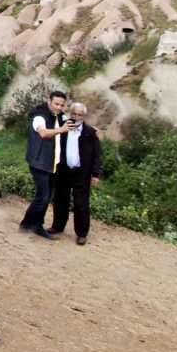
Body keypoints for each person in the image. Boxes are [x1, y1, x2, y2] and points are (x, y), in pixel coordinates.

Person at [19, 90, 73, 239]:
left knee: (46, 197)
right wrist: (62, 129)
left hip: (52, 163)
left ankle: (35, 224)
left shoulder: (60, 115)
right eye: (56, 104)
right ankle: (28, 224)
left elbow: (72, 121)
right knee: (43, 197)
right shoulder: (39, 116)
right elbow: (43, 133)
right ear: (49, 101)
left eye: (61, 105)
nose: (59, 107)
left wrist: (90, 129)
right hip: (39, 163)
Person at [50, 102, 102, 245]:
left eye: (80, 114)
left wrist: (95, 174)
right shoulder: (63, 128)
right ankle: (57, 226)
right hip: (64, 170)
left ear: (83, 116)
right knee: (60, 200)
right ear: (70, 114)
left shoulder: (90, 132)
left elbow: (97, 154)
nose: (76, 117)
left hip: (81, 173)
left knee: (81, 203)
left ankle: (81, 233)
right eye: (74, 113)